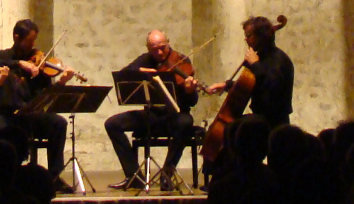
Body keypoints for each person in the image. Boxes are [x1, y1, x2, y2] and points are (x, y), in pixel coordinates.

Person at [105, 30, 201, 191]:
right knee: (112, 124)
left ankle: (167, 173)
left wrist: (190, 90)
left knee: (186, 121)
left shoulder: (181, 61)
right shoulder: (145, 59)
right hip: (152, 116)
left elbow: (192, 102)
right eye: (154, 49)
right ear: (148, 48)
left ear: (168, 43)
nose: (159, 52)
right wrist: (142, 72)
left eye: (162, 47)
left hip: (175, 117)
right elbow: (124, 74)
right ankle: (134, 175)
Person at [0, 20, 76, 186]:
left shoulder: (39, 64)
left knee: (58, 123)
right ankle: (0, 178)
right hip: (6, 116)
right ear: (17, 37)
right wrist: (19, 63)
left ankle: (54, 177)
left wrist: (61, 82)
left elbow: (47, 95)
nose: (33, 45)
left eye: (34, 41)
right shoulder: (3, 57)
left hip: (30, 116)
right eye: (30, 41)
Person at [206, 15, 294, 128]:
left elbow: (272, 87)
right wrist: (226, 85)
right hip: (260, 117)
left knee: (235, 129)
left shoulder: (279, 59)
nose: (246, 39)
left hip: (275, 121)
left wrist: (255, 65)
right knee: (231, 128)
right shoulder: (259, 58)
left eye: (249, 36)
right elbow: (250, 83)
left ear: (261, 37)